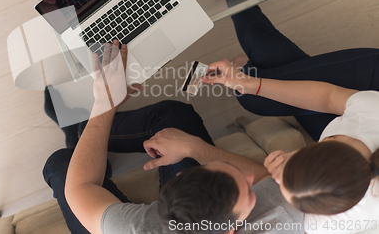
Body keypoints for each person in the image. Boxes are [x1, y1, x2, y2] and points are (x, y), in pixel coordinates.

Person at [187, 0, 379, 233]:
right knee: (259, 67)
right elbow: (326, 98)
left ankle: (248, 48)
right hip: (373, 82)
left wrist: (284, 177)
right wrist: (248, 82)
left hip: (351, 136)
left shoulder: (329, 224)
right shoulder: (372, 114)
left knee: (251, 90)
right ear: (331, 138)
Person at [43, 39, 304, 234]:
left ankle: (81, 131)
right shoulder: (286, 215)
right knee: (174, 115)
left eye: (248, 191)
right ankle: (84, 133)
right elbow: (268, 179)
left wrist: (104, 103)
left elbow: (79, 189)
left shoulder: (140, 228)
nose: (251, 178)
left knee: (61, 163)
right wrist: (194, 147)